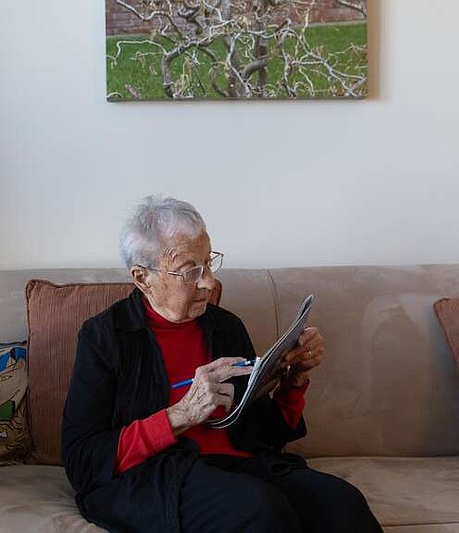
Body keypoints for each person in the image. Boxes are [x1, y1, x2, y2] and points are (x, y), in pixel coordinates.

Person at [62, 195, 382, 532]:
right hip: (158, 475)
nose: (208, 282)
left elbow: (266, 436)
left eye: (209, 263)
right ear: (143, 278)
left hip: (239, 465)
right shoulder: (105, 336)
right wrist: (182, 414)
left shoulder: (225, 326)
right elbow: (84, 459)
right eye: (190, 271)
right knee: (260, 509)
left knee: (342, 502)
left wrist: (293, 381)